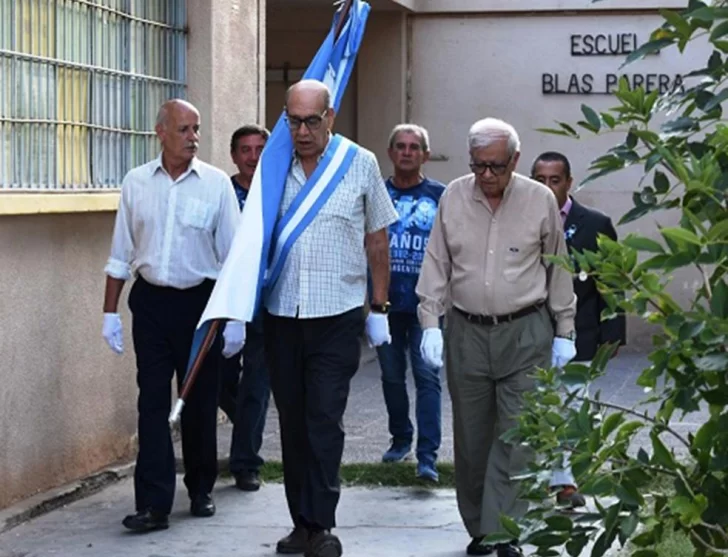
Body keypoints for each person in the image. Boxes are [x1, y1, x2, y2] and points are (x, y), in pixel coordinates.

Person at [416, 118, 577, 557]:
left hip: (525, 331)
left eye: (497, 167)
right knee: (472, 438)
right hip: (467, 331)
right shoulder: (453, 196)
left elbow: (557, 266)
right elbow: (437, 263)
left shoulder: (539, 199)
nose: (487, 176)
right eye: (479, 166)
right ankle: (479, 526)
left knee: (517, 437)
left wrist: (565, 329)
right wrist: (429, 323)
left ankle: (505, 530)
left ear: (515, 160)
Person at [262, 80, 398, 557]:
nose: (301, 131)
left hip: (337, 316)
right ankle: (300, 523)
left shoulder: (358, 163)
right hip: (281, 315)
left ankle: (322, 524)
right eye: (292, 120)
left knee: (324, 418)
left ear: (330, 118)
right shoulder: (273, 164)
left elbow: (377, 240)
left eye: (310, 121)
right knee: (294, 424)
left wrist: (379, 307)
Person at [102, 99, 245, 532]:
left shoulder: (216, 185)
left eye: (197, 129)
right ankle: (153, 503)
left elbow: (234, 258)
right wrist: (109, 311)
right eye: (184, 129)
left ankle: (201, 487)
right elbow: (119, 254)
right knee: (151, 403)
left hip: (200, 307)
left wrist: (235, 318)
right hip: (151, 304)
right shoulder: (137, 183)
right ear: (161, 132)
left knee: (200, 401)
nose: (193, 138)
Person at [531, 151, 627, 508]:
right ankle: (532, 478)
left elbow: (611, 280)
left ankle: (565, 482)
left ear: (569, 183)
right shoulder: (522, 218)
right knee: (533, 405)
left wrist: (613, 329)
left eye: (554, 180)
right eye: (539, 180)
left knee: (572, 406)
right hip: (531, 330)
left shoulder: (595, 223)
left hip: (581, 329)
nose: (547, 187)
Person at [375, 124, 445, 483]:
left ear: (425, 155)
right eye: (400, 146)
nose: (406, 152)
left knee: (427, 376)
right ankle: (400, 437)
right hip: (384, 301)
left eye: (414, 147)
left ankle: (427, 455)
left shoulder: (441, 196)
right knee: (390, 376)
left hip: (426, 304)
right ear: (391, 153)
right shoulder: (377, 193)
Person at [218, 124, 272, 492]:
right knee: (220, 380)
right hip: (224, 299)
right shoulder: (222, 191)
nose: (253, 157)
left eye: (259, 150)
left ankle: (245, 462)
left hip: (266, 301)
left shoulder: (278, 191)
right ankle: (247, 428)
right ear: (234, 155)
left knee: (257, 382)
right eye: (245, 150)